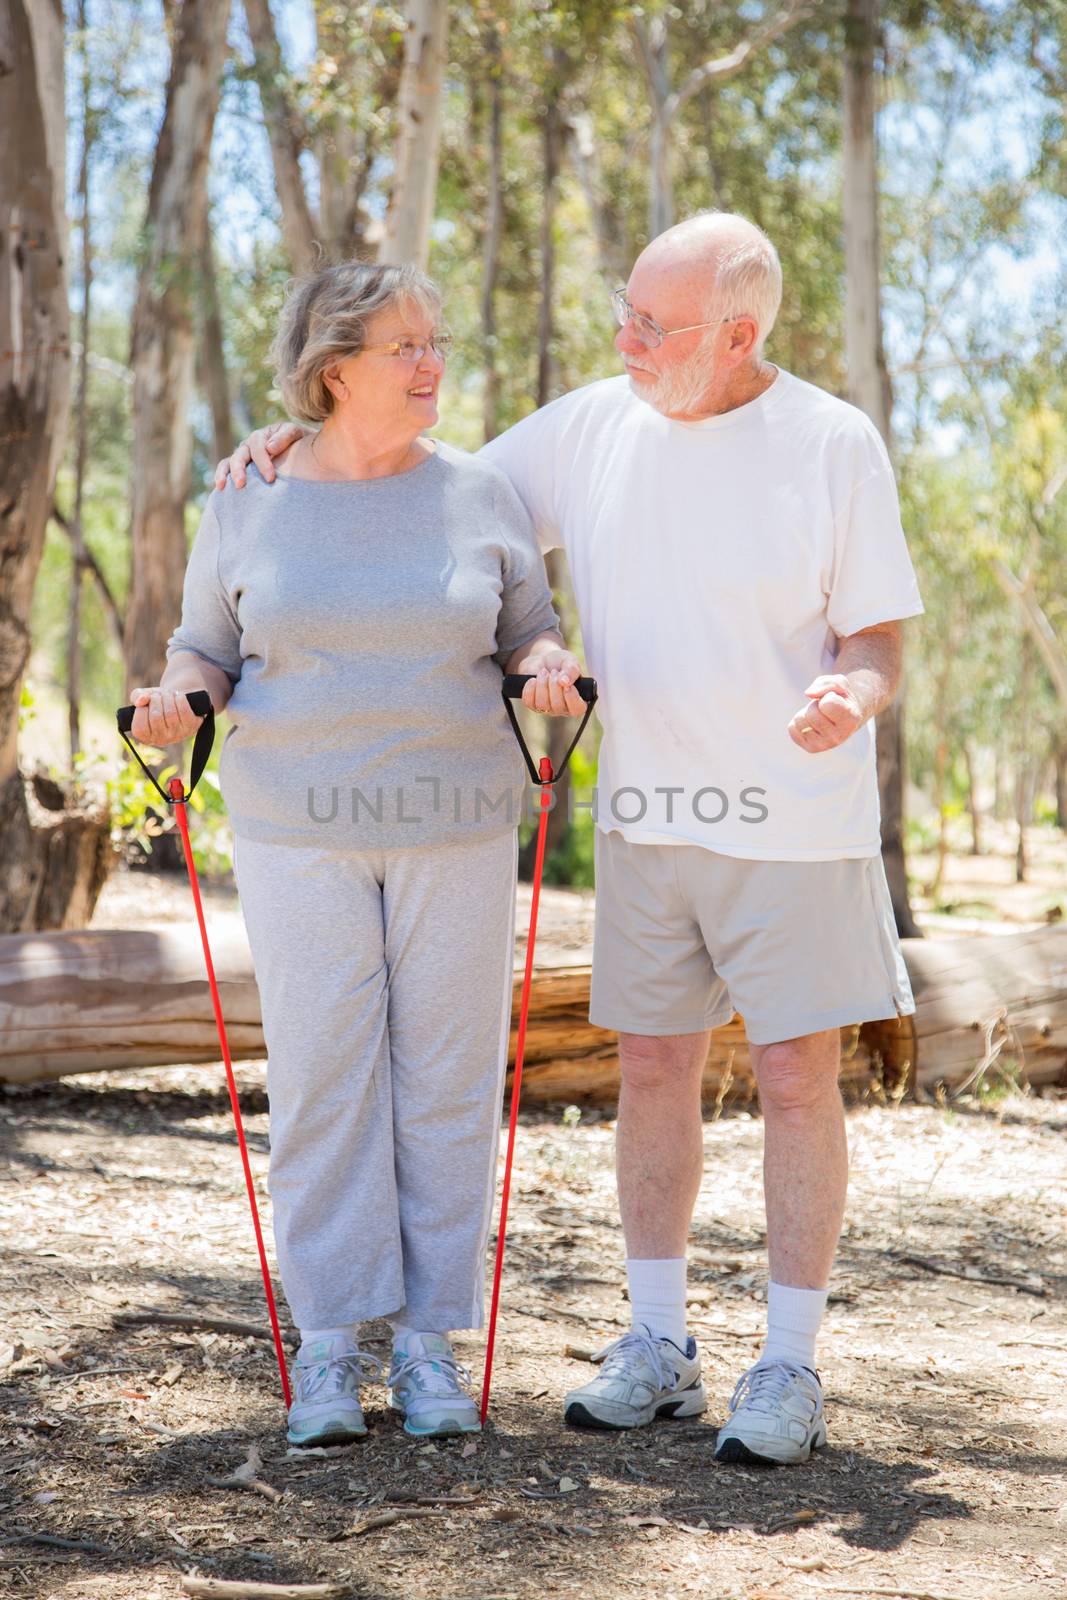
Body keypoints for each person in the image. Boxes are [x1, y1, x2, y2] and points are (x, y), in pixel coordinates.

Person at [217, 210, 924, 1466]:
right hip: (646, 818)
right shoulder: (595, 422)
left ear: (736, 333)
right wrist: (291, 437)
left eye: (652, 325)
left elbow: (876, 641)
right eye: (625, 310)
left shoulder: (829, 440)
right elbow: (412, 488)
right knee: (651, 1072)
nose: (624, 338)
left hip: (795, 827)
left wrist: (849, 698)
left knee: (795, 1081)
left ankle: (788, 1362)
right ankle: (656, 1344)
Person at [130, 259, 585, 1448]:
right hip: (296, 831)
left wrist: (542, 669)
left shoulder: (480, 493)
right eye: (405, 347)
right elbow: (203, 646)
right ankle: (329, 1344)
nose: (432, 363)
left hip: (456, 826)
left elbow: (528, 629)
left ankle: (430, 1341)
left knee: (443, 1080)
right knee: (328, 1078)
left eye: (436, 340)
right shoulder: (249, 496)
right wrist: (178, 696)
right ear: (335, 371)